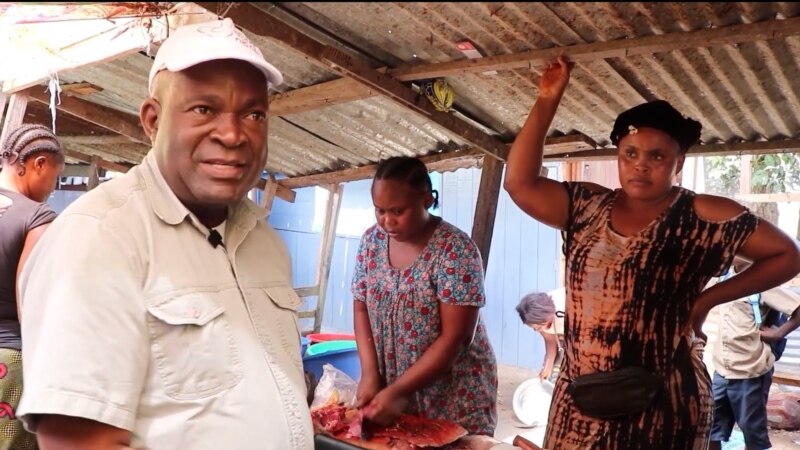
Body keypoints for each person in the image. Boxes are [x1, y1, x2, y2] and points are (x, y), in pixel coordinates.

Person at [16, 18, 313, 450]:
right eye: (203, 109)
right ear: (152, 120)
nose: (232, 135)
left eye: (253, 113)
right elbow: (82, 444)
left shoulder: (263, 240)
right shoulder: (99, 239)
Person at [503, 56, 800, 450]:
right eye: (630, 153)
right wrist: (547, 99)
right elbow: (519, 184)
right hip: (582, 399)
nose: (641, 166)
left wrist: (705, 301)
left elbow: (787, 255)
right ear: (618, 156)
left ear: (679, 162)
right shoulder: (587, 207)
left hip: (664, 400)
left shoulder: (700, 216)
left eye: (657, 156)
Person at [352, 156, 498, 436]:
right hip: (393, 393)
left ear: (427, 199)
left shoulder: (455, 251)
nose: (387, 221)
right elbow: (361, 308)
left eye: (397, 210)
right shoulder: (371, 242)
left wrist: (399, 391)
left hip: (452, 396)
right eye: (379, 210)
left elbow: (456, 339)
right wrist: (370, 372)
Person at [0, 124, 64, 450]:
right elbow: (33, 305)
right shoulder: (36, 217)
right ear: (38, 163)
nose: (52, 188)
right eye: (55, 177)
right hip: (10, 363)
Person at [709, 257, 800, 450]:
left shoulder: (764, 281)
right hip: (722, 368)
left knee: (752, 433)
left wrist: (778, 333)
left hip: (750, 370)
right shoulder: (725, 277)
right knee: (711, 427)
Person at [515, 288, 566, 382]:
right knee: (553, 376)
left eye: (538, 327)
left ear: (546, 317)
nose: (535, 330)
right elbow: (550, 340)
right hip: (562, 333)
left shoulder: (565, 308)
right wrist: (548, 367)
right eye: (534, 328)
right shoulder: (540, 319)